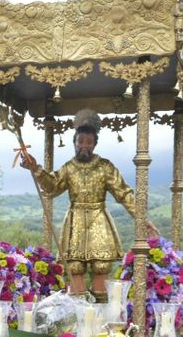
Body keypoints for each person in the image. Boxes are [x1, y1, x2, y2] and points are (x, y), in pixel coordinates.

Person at [16, 109, 155, 298]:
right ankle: (78, 315)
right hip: (75, 224)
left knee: (101, 266)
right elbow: (52, 186)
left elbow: (124, 193)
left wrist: (141, 218)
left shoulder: (105, 167)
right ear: (75, 142)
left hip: (99, 220)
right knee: (74, 268)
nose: (84, 146)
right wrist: (35, 168)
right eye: (80, 141)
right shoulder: (69, 168)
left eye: (88, 142)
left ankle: (100, 315)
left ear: (95, 144)